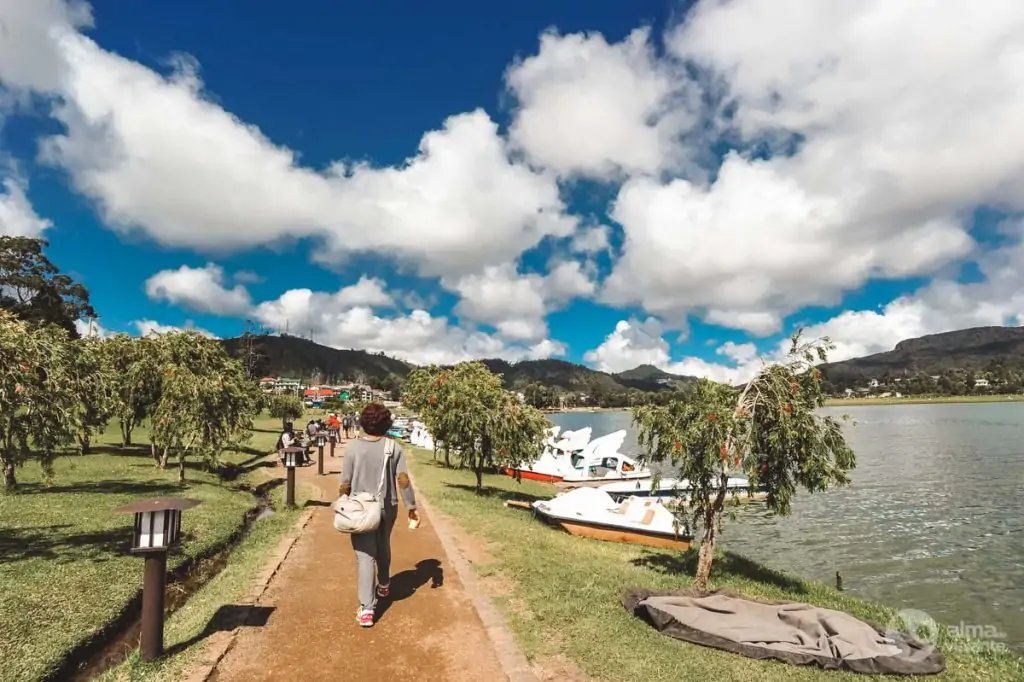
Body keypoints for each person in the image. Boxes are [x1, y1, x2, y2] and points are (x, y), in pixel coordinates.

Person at [338, 403, 418, 628]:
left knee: (365, 556)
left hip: (361, 508)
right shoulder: (394, 447)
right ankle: (384, 583)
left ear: (364, 422)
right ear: (386, 424)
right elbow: (402, 480)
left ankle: (366, 609)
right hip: (387, 507)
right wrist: (411, 507)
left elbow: (345, 481)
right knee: (383, 544)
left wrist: (342, 500)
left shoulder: (353, 448)